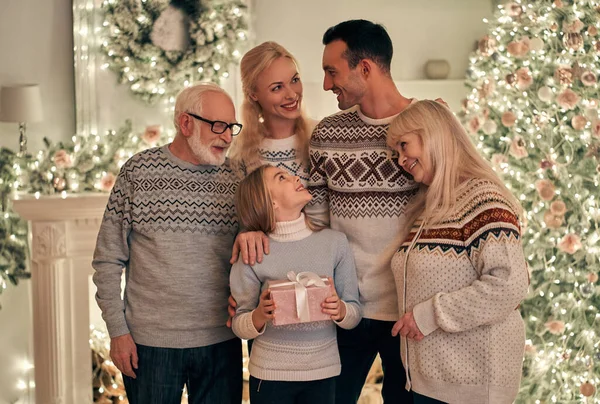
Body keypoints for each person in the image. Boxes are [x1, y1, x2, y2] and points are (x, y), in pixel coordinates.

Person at [92, 83, 243, 404]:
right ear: (185, 123)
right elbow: (107, 261)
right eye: (217, 126)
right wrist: (118, 332)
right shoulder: (138, 172)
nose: (227, 137)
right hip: (149, 345)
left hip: (221, 341)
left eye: (231, 127)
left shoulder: (237, 177)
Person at [387, 100, 529, 404]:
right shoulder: (434, 206)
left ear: (433, 135)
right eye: (395, 153)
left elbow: (508, 284)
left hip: (472, 385)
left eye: (403, 145)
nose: (400, 160)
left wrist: (428, 315)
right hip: (433, 382)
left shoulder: (484, 200)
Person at [306, 19, 417, 403]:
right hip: (343, 310)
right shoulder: (326, 135)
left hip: (411, 315)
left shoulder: (428, 128)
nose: (325, 84)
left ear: (365, 68)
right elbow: (315, 223)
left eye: (331, 71)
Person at [230, 165, 361, 404]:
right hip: (269, 376)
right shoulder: (253, 252)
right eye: (282, 177)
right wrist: (259, 315)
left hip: (323, 373)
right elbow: (239, 324)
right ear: (271, 203)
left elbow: (354, 313)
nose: (296, 178)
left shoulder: (335, 243)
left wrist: (340, 311)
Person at [229, 41, 313, 184]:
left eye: (295, 80)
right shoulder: (240, 151)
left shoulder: (321, 136)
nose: (292, 95)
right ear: (253, 95)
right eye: (277, 88)